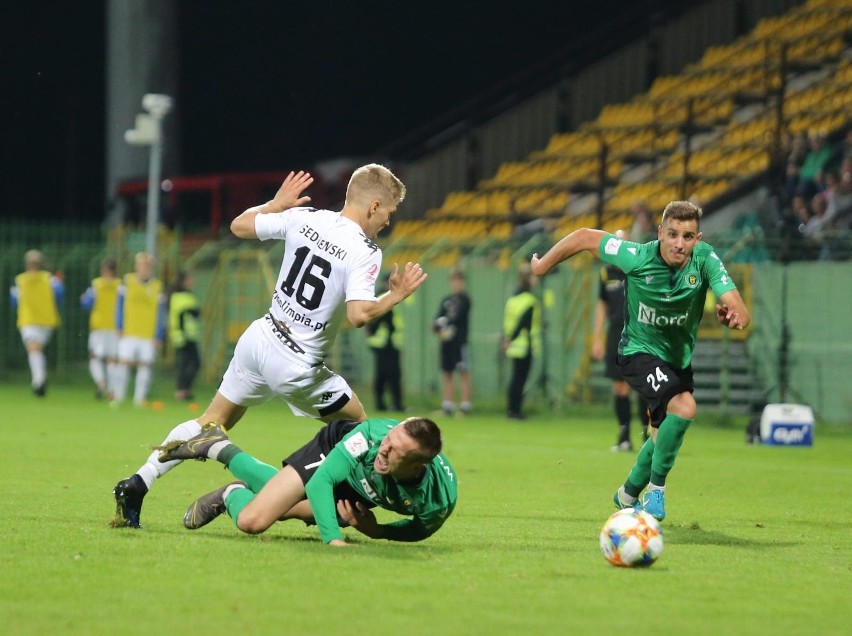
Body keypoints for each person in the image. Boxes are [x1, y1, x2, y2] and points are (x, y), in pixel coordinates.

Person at [112, 166, 427, 528]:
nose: (388, 221)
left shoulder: (306, 218)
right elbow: (358, 315)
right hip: (297, 364)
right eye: (389, 211)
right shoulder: (365, 250)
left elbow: (240, 226)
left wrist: (275, 204)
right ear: (374, 206)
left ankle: (137, 483)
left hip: (260, 339)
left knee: (211, 420)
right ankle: (325, 507)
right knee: (358, 429)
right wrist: (395, 295)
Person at [531, 200, 750, 521]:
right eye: (672, 234)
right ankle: (655, 492)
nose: (679, 243)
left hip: (677, 360)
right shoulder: (636, 256)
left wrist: (731, 315)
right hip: (637, 353)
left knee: (662, 433)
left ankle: (627, 493)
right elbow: (584, 237)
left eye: (687, 237)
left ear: (698, 239)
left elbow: (740, 312)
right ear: (660, 232)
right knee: (684, 407)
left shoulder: (705, 259)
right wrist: (541, 267)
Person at [156, 415, 456, 546]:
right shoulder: (368, 437)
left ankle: (219, 453)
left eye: (395, 451)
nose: (384, 449)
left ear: (419, 465)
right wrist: (333, 539)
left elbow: (419, 529)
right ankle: (226, 471)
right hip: (333, 456)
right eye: (388, 439)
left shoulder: (438, 499)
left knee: (284, 508)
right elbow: (320, 481)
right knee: (253, 521)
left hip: (364, 488)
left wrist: (378, 532)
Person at [591, 231, 650, 451]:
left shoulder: (637, 269)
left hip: (638, 331)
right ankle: (624, 435)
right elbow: (601, 306)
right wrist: (597, 338)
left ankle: (647, 434)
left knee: (643, 387)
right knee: (620, 386)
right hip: (615, 332)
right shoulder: (606, 273)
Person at [112, 252, 166, 407]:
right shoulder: (127, 281)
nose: (144, 268)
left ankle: (139, 399)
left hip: (148, 333)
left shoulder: (157, 286)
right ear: (136, 266)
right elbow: (120, 305)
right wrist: (119, 325)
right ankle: (118, 397)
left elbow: (161, 312)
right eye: (142, 265)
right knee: (123, 363)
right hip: (129, 330)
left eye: (147, 266)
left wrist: (159, 334)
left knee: (145, 365)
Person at [10, 250, 63, 396]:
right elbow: (59, 297)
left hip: (45, 320)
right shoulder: (46, 280)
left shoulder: (44, 280)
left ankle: (40, 379)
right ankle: (39, 382)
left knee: (36, 350)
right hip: (29, 320)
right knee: (34, 348)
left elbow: (14, 301)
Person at [501, 265, 541, 419]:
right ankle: (515, 410)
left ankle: (511, 409)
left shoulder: (512, 299)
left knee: (515, 378)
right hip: (524, 345)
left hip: (513, 345)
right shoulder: (529, 300)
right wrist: (512, 338)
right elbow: (524, 324)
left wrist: (507, 340)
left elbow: (510, 322)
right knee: (520, 379)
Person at [432, 269, 472, 415]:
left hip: (459, 342)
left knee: (463, 372)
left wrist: (443, 322)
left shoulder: (465, 299)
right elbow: (437, 319)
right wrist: (437, 327)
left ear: (463, 282)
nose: (456, 284)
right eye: (453, 281)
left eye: (458, 281)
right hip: (446, 342)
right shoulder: (446, 300)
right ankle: (447, 406)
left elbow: (455, 317)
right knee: (447, 373)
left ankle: (465, 407)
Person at [80, 257, 120, 400]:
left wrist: (83, 298)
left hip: (99, 326)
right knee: (112, 359)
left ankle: (101, 382)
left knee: (95, 357)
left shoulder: (96, 285)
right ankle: (112, 390)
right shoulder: (120, 286)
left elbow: (86, 303)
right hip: (115, 327)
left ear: (103, 270)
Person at [365, 273, 405, 412]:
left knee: (381, 376)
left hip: (381, 343)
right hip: (386, 344)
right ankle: (396, 404)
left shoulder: (377, 296)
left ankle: (381, 404)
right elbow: (387, 321)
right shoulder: (385, 298)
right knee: (392, 375)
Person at [168, 270, 201, 401]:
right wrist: (182, 332)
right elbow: (183, 314)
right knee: (189, 363)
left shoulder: (184, 295)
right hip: (183, 336)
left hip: (189, 335)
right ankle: (182, 390)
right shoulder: (180, 296)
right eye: (189, 279)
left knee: (189, 363)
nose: (192, 281)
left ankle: (184, 390)